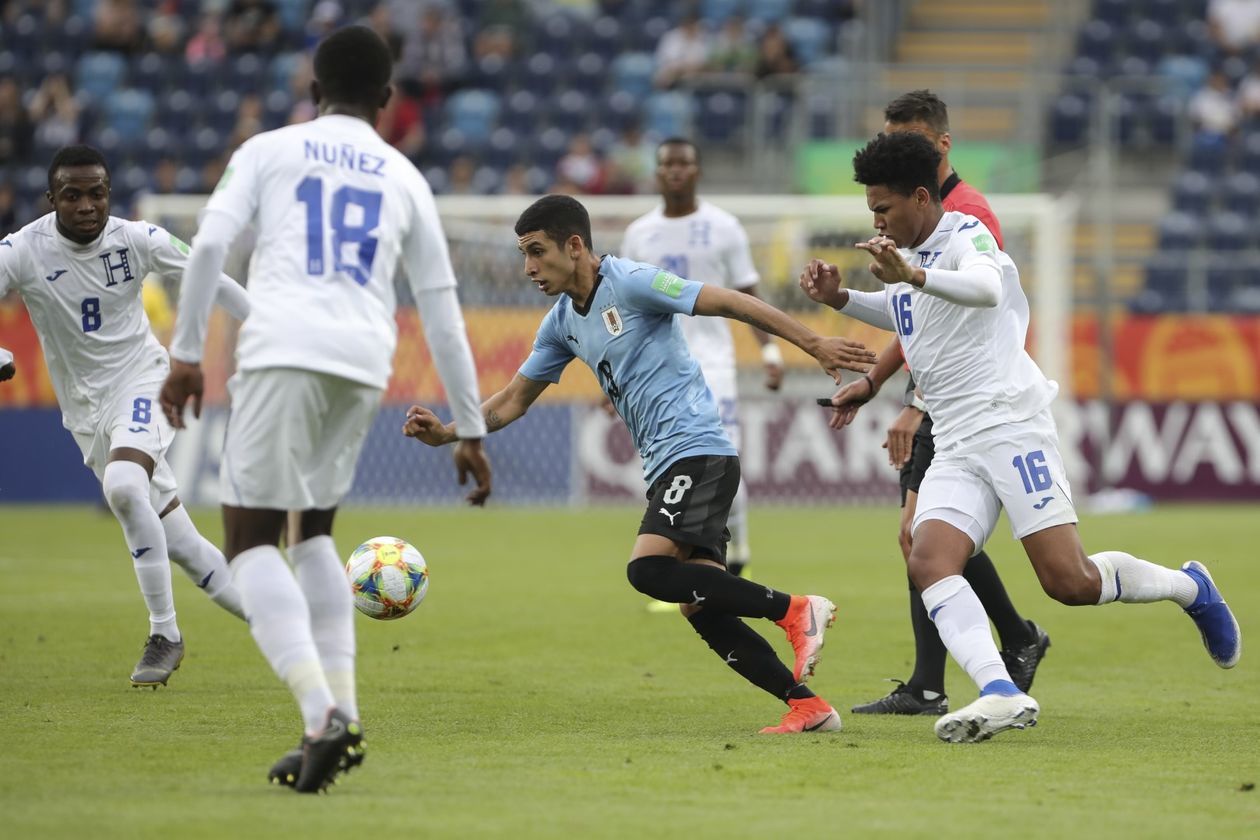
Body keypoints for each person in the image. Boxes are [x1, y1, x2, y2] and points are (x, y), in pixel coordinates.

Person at [799, 132, 1241, 743]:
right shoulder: (907, 254)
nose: (875, 219)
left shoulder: (966, 237)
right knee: (929, 558)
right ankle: (1000, 692)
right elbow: (906, 310)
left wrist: (915, 274)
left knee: (1070, 583)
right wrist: (841, 297)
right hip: (954, 438)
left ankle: (1191, 586)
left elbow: (983, 289)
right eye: (871, 209)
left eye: (883, 207)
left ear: (922, 197)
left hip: (1010, 426)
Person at [403, 193, 877, 734]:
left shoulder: (629, 281)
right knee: (699, 603)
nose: (528, 267)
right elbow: (512, 400)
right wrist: (447, 433)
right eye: (523, 255)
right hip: (668, 466)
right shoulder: (561, 322)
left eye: (537, 251)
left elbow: (726, 301)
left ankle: (794, 609)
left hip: (698, 451)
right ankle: (808, 707)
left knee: (647, 569)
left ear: (575, 245)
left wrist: (811, 342)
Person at [159, 25, 491, 794]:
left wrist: (183, 353)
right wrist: (470, 429)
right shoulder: (404, 174)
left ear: (312, 91)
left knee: (248, 543)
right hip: (362, 362)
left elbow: (207, 247)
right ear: (387, 98)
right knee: (313, 534)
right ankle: (340, 716)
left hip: (282, 351)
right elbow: (441, 309)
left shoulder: (270, 150)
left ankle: (319, 711)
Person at [827, 91, 1049, 717]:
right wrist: (871, 376)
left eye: (917, 140)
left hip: (966, 401)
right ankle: (946, 674)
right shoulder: (903, 217)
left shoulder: (967, 217)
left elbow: (974, 306)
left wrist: (914, 404)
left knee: (930, 540)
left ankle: (998, 645)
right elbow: (913, 313)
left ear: (942, 146)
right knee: (919, 540)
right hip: (940, 396)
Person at [0, 144, 249, 688]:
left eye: (97, 193)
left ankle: (166, 634)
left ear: (110, 194)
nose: (87, 205)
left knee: (123, 486)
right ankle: (283, 622)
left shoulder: (137, 239)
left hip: (144, 380)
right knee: (182, 546)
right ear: (51, 200)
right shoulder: (21, 251)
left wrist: (263, 322)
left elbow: (209, 276)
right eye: (73, 195)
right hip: (86, 413)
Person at [622, 138, 782, 595]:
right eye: (667, 164)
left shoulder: (724, 227)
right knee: (660, 473)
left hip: (712, 366)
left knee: (722, 463)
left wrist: (769, 354)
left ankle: (737, 560)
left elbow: (747, 297)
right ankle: (674, 571)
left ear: (697, 171)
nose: (675, 171)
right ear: (657, 173)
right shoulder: (639, 233)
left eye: (684, 163)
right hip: (655, 373)